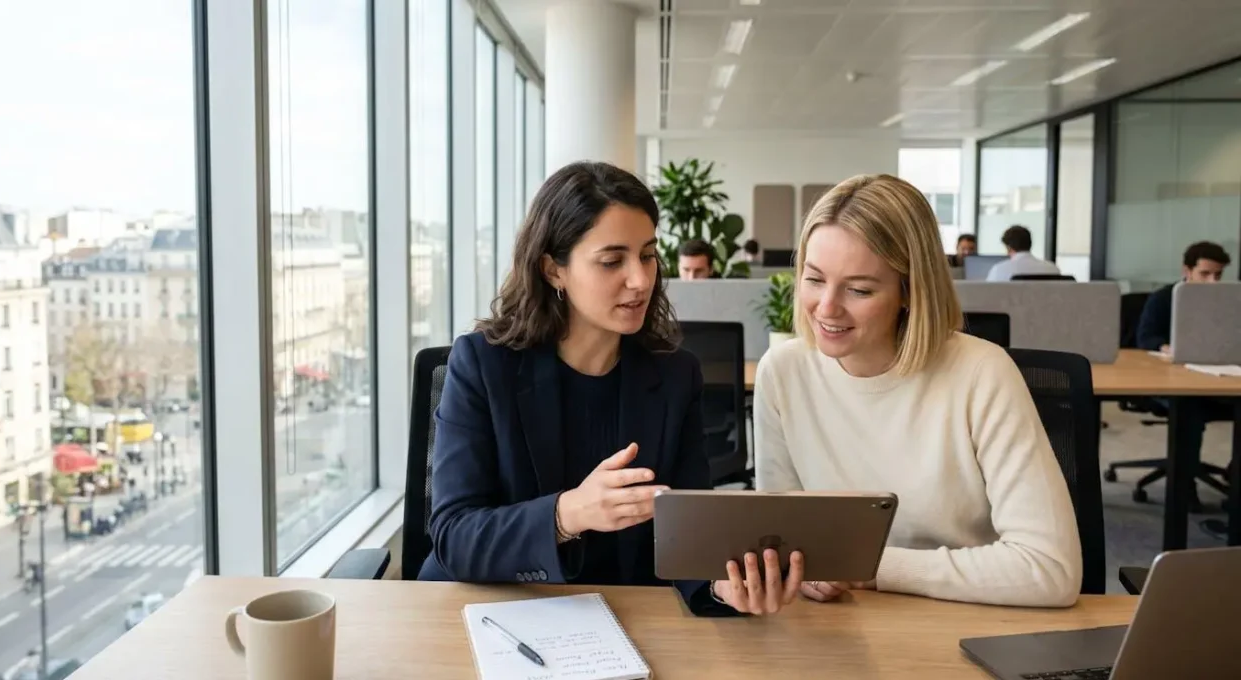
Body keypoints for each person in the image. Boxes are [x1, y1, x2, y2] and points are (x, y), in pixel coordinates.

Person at [420, 161, 803, 616]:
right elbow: (455, 537)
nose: (641, 280)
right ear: (553, 270)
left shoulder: (676, 377)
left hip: (627, 620)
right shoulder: (483, 366)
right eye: (612, 260)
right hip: (496, 614)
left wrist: (722, 586)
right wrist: (568, 515)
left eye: (647, 255)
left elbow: (688, 537)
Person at [752, 174, 1082, 608]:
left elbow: (1050, 570)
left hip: (971, 620)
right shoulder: (783, 371)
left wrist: (868, 568)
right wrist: (798, 570)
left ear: (909, 291)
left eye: (859, 289)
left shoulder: (982, 374)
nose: (826, 308)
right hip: (843, 630)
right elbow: (781, 539)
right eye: (814, 279)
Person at [1135, 241, 1233, 530]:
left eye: (1218, 275)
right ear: (1186, 270)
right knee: (1189, 408)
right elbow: (1145, 338)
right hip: (1170, 383)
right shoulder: (1164, 299)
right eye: (1205, 274)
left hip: (1220, 380)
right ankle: (1184, 485)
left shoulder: (1228, 302)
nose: (1212, 282)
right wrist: (1165, 346)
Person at [985, 225, 1062, 281]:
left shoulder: (999, 269)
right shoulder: (1053, 269)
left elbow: (988, 296)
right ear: (1030, 244)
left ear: (1008, 248)